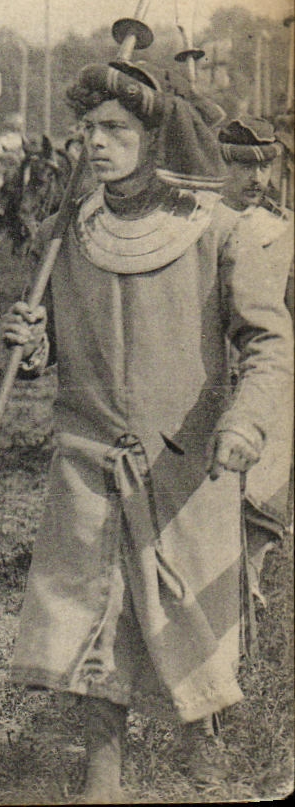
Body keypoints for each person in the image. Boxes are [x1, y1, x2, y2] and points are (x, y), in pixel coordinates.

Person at [1, 64, 291, 801]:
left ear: (151, 137)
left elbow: (268, 342)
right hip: (89, 458)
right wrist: (32, 344)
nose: (96, 144)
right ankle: (104, 765)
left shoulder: (215, 232)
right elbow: (53, 345)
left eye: (116, 131)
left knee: (186, 610)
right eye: (89, 130)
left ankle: (204, 748)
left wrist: (245, 421)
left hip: (187, 463)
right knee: (97, 610)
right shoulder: (65, 235)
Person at [215, 115, 293, 618]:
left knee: (260, 496)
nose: (257, 179)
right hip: (207, 380)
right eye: (243, 166)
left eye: (266, 166)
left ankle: (247, 599)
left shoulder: (283, 232)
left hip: (265, 386)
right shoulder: (196, 228)